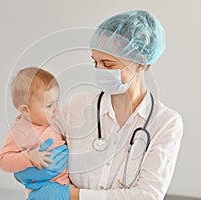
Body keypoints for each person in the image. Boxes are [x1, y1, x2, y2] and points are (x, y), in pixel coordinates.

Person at [28, 10, 183, 200]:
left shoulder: (166, 122)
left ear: (141, 62)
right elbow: (38, 155)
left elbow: (148, 195)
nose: (99, 71)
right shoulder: (76, 105)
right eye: (96, 62)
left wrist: (70, 195)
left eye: (108, 65)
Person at [0, 67, 70, 199]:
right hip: (44, 192)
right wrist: (29, 157)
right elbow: (3, 160)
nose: (56, 110)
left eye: (56, 103)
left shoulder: (52, 121)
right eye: (49, 106)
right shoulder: (21, 131)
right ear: (26, 110)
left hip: (66, 187)